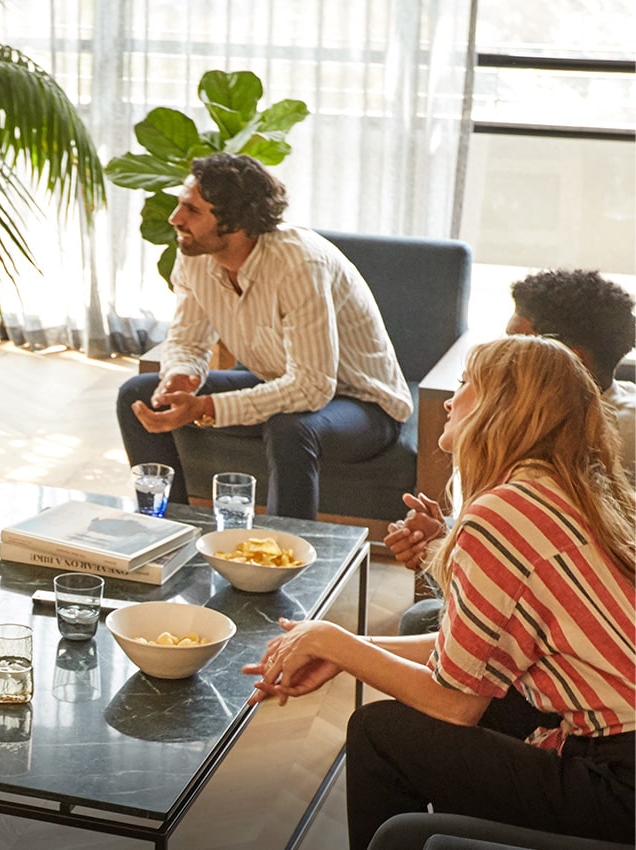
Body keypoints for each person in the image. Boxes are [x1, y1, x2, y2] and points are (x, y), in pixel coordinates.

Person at [242, 335, 635, 850]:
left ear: (504, 407)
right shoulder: (564, 490)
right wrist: (341, 650)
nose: (450, 400)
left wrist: (337, 643)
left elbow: (456, 705)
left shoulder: (503, 512)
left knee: (379, 732)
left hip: (620, 784)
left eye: (467, 383)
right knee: (408, 722)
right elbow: (470, 660)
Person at [116, 152, 412, 520]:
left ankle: (283, 560)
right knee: (138, 393)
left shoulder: (299, 264)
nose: (175, 219)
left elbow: (313, 388)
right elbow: (188, 342)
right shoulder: (195, 256)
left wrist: (207, 408)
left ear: (234, 222)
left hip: (364, 405)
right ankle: (167, 530)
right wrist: (182, 375)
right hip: (280, 382)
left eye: (192, 210)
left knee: (291, 427)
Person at [387, 268, 635, 637]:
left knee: (423, 619)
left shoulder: (585, 440)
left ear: (567, 359)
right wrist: (445, 539)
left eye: (514, 344)